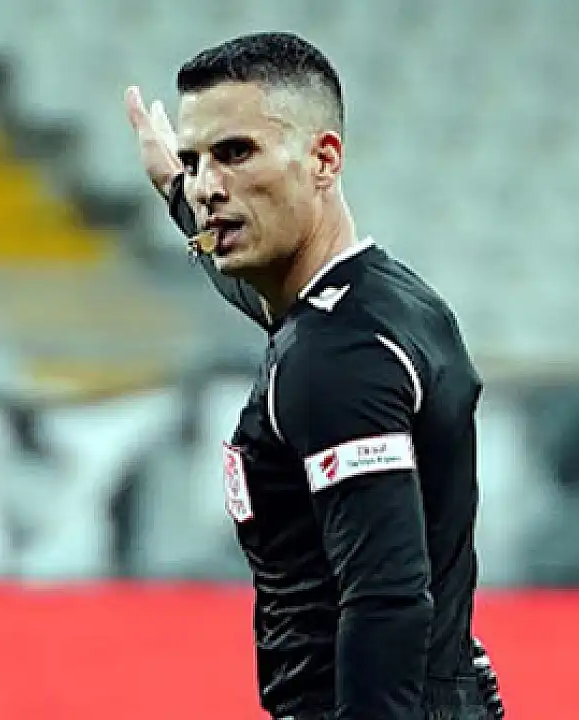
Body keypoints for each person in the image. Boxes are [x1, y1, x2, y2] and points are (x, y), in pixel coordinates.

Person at [124, 32, 505, 720]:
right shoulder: (389, 299)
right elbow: (269, 300)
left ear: (323, 159)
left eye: (236, 153)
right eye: (195, 161)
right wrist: (175, 194)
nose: (209, 186)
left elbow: (384, 598)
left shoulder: (334, 359)